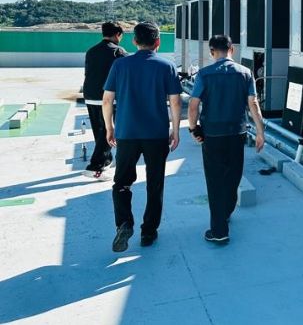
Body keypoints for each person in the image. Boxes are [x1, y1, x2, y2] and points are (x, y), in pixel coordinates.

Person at [103, 22, 182, 252]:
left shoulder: (120, 64)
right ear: (158, 42)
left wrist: (109, 128)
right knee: (155, 183)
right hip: (156, 135)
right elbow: (176, 101)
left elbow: (107, 100)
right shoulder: (167, 66)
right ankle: (148, 232)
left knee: (122, 182)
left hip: (127, 133)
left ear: (134, 41)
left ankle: (124, 223)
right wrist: (176, 131)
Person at [188, 34, 265, 244]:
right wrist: (260, 132)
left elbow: (193, 105)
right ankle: (226, 212)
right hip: (237, 133)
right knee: (233, 176)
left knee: (215, 181)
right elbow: (253, 104)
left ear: (212, 52)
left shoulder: (204, 74)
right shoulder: (245, 73)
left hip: (212, 134)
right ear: (232, 50)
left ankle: (219, 230)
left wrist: (193, 129)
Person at [82, 22, 127, 179]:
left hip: (90, 96)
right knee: (109, 131)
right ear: (118, 35)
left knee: (99, 131)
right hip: (108, 97)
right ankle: (96, 167)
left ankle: (106, 159)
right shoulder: (118, 52)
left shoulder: (91, 51)